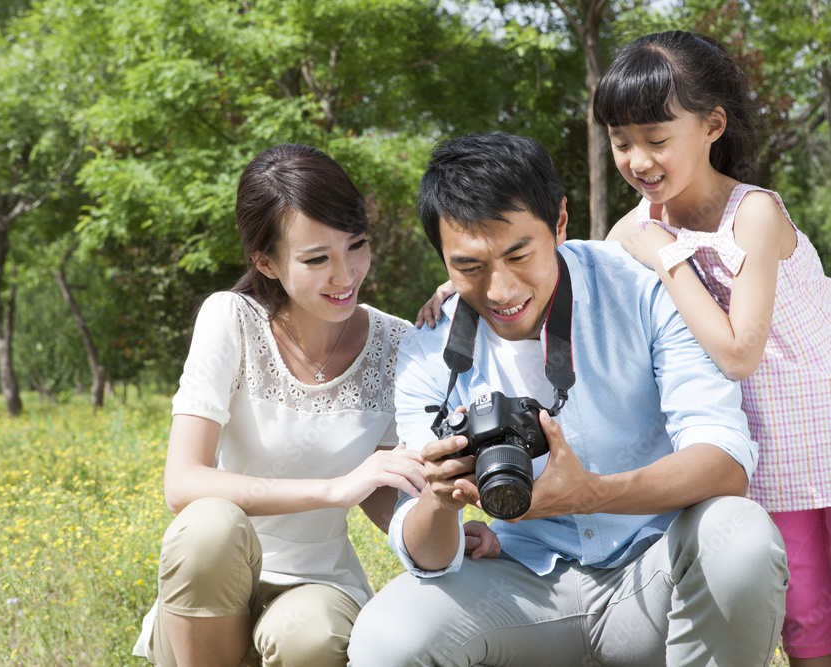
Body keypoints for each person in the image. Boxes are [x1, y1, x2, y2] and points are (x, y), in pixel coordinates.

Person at [346, 131, 789, 667]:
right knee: (386, 640)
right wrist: (438, 501)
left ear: (559, 221)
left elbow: (725, 462)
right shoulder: (428, 353)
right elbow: (428, 558)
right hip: (524, 586)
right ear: (442, 256)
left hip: (654, 573)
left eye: (518, 254)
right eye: (469, 267)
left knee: (738, 537)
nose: (501, 290)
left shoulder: (643, 289)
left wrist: (593, 493)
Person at [131, 143, 425, 667]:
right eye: (317, 259)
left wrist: (439, 521)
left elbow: (382, 495)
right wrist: (334, 489)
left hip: (317, 585)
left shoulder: (395, 343)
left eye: (356, 245)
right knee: (208, 527)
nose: (346, 274)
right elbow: (183, 483)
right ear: (265, 262)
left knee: (309, 637)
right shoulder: (231, 320)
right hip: (210, 590)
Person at [593, 30, 831, 666]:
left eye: (656, 139)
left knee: (817, 609)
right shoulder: (635, 228)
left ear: (712, 126)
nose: (638, 160)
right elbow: (571, 280)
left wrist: (666, 256)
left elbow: (737, 353)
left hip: (815, 432)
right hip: (746, 446)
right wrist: (475, 277)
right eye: (621, 143)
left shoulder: (752, 213)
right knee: (788, 609)